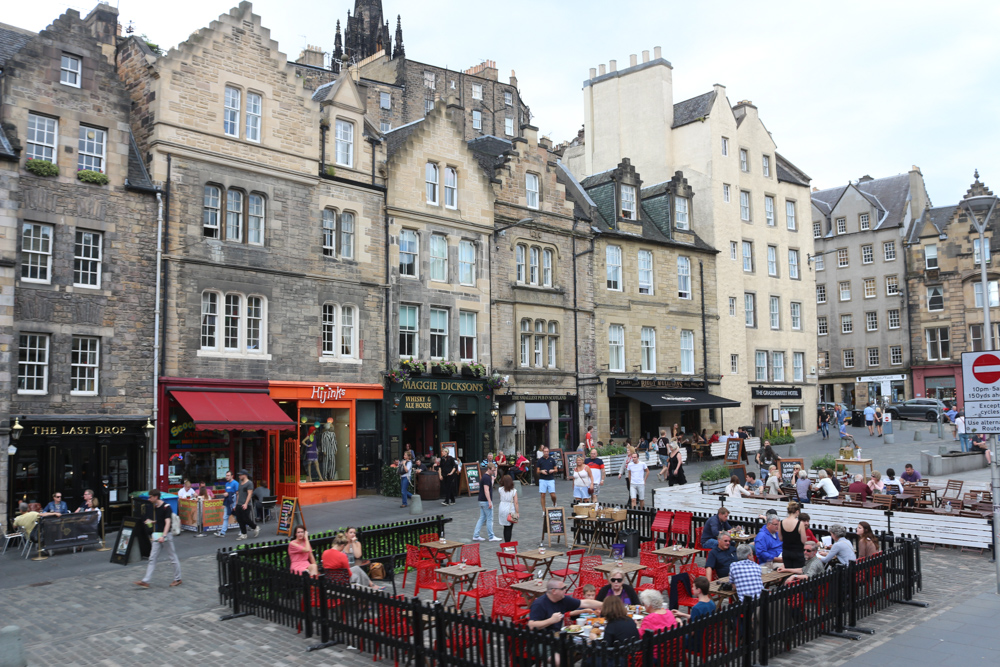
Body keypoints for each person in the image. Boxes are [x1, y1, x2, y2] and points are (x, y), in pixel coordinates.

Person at [135, 489, 182, 588]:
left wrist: (163, 536)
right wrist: (153, 522)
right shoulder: (156, 507)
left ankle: (177, 578)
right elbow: (161, 521)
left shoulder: (166, 507)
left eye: (150, 497)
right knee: (152, 558)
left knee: (172, 557)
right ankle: (146, 581)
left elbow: (167, 523)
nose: (149, 499)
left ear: (156, 497)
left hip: (165, 535)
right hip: (157, 534)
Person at [528, 578, 602, 630]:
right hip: (541, 640)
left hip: (557, 637)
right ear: (554, 591)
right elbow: (531, 625)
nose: (565, 590)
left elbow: (585, 602)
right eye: (562, 589)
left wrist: (606, 604)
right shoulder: (539, 604)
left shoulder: (563, 599)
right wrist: (551, 620)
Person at [473, 463, 501, 542]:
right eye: (492, 470)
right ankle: (491, 536)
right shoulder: (486, 478)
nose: (493, 472)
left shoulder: (486, 477)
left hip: (481, 500)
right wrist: (489, 501)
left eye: (494, 470)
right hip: (485, 501)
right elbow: (486, 490)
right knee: (489, 518)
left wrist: (492, 480)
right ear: (488, 469)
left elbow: (489, 488)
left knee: (482, 518)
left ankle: (476, 535)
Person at [779, 501, 808, 568]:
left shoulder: (781, 523)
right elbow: (804, 541)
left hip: (786, 552)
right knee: (797, 574)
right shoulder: (799, 524)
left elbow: (780, 539)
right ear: (797, 511)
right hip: (798, 552)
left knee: (787, 572)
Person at [234, 469, 259, 541]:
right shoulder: (240, 483)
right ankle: (243, 534)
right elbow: (238, 494)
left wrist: (246, 504)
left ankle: (255, 527)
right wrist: (236, 503)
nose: (239, 476)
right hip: (239, 503)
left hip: (246, 504)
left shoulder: (249, 483)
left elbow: (250, 494)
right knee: (239, 519)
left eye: (240, 475)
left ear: (245, 475)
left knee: (245, 518)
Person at [497, 474, 519, 543]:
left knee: (505, 527)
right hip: (510, 508)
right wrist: (517, 512)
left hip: (502, 507)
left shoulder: (500, 489)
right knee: (509, 528)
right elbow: (516, 502)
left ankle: (506, 543)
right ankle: (507, 544)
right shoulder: (514, 491)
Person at [217, 470, 238, 538]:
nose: (227, 477)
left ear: (232, 476)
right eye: (226, 475)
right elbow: (227, 494)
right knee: (225, 517)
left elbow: (237, 493)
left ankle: (243, 530)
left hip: (233, 502)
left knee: (237, 517)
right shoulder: (226, 484)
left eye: (228, 475)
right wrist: (224, 503)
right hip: (228, 503)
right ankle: (223, 532)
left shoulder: (235, 483)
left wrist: (236, 504)